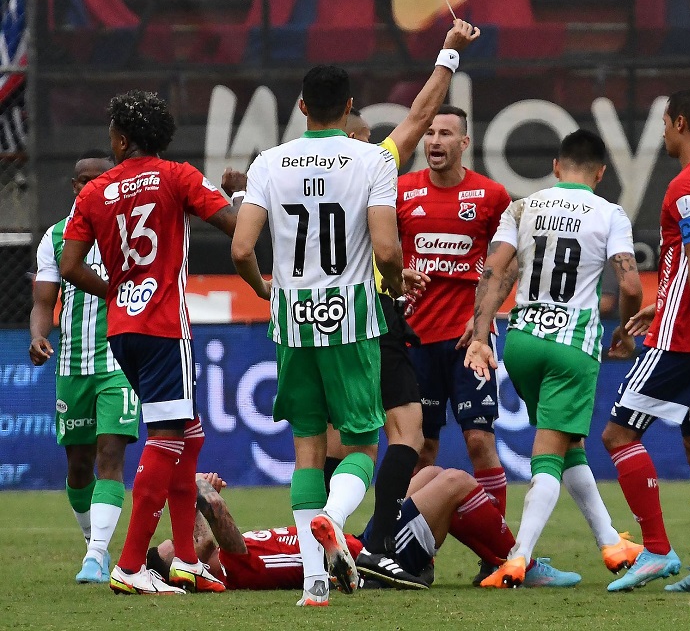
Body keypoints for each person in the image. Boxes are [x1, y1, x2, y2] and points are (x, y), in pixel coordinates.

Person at [231, 64, 419, 605]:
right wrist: (399, 275)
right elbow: (385, 249)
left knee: (308, 450)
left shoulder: (269, 162)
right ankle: (335, 521)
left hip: (292, 319)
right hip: (353, 319)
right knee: (361, 441)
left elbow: (241, 249)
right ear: (351, 104)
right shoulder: (373, 159)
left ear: (302, 106)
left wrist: (264, 288)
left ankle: (314, 583)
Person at [60, 90, 242, 595]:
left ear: (120, 138)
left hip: (122, 328)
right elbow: (232, 226)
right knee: (168, 437)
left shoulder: (93, 192)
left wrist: (116, 288)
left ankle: (185, 559)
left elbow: (71, 266)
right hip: (165, 325)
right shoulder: (177, 175)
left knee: (189, 432)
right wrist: (243, 197)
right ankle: (131, 564)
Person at [320, 19, 481, 586]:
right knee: (406, 436)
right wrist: (450, 51)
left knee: (331, 439)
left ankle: (325, 550)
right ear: (355, 126)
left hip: (311, 318)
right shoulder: (371, 162)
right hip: (374, 312)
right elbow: (416, 115)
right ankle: (375, 542)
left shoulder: (283, 165)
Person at [465, 129, 646, 588]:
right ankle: (519, 557)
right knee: (548, 455)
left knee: (568, 446)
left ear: (555, 166)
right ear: (601, 173)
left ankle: (611, 542)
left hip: (521, 342)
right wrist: (623, 332)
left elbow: (496, 268)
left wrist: (481, 333)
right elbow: (629, 285)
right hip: (571, 346)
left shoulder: (522, 207)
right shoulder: (609, 213)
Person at [601, 90, 690, 594]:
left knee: (617, 436)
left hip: (686, 336)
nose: (662, 132)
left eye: (664, 123)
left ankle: (658, 551)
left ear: (681, 123)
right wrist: (663, 307)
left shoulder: (685, 186)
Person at [395, 103, 513, 583]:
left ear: (465, 142)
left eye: (446, 133)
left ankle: (498, 552)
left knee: (480, 441)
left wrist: (483, 324)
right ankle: (413, 553)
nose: (435, 141)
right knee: (420, 450)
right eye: (430, 133)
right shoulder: (401, 192)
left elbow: (508, 268)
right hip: (414, 341)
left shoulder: (491, 195)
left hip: (469, 344)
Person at [148, 471, 580, 591]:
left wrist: (192, 493)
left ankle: (498, 561)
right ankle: (519, 562)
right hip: (377, 565)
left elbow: (200, 529)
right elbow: (210, 520)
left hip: (361, 543)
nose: (182, 542)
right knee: (457, 484)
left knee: (429, 472)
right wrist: (192, 486)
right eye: (177, 551)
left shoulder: (221, 555)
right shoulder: (236, 568)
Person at [29, 150, 139, 584]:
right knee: (78, 466)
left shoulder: (129, 232)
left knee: (110, 456)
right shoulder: (55, 238)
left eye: (100, 178)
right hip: (72, 365)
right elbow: (43, 301)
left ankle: (94, 558)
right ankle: (97, 545)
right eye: (82, 180)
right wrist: (38, 335)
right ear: (75, 186)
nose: (90, 186)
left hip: (119, 361)